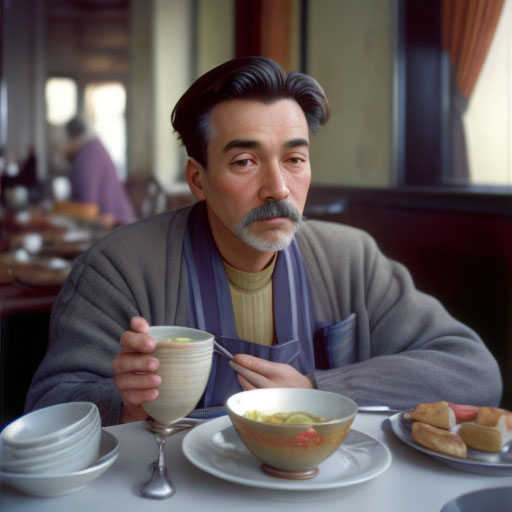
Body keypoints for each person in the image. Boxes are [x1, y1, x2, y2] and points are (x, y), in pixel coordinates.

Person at [26, 57, 502, 426]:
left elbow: (475, 372)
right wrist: (125, 404)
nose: (277, 188)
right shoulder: (119, 267)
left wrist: (317, 389)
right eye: (244, 162)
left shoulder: (350, 258)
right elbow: (47, 405)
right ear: (198, 178)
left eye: (294, 159)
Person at [64, 116, 137, 225]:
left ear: (72, 139)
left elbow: (87, 207)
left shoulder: (88, 155)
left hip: (116, 228)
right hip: (118, 224)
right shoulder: (93, 147)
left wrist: (58, 210)